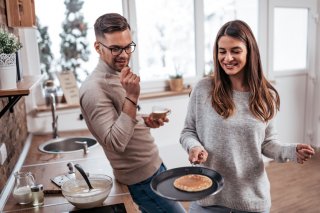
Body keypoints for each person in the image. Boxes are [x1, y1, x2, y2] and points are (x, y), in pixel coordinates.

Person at [180, 20, 315, 213]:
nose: (227, 58)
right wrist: (194, 146)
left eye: (235, 51)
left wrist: (291, 151)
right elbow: (188, 131)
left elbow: (267, 143)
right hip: (208, 199)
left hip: (251, 201)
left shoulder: (266, 96)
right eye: (222, 51)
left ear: (250, 52)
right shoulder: (203, 89)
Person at [79, 13, 185, 213]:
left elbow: (122, 119)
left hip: (153, 165)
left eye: (128, 46)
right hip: (140, 179)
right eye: (115, 48)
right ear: (97, 47)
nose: (124, 54)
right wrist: (132, 97)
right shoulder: (93, 89)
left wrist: (146, 120)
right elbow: (115, 142)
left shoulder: (118, 74)